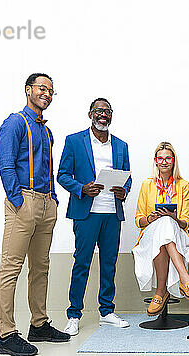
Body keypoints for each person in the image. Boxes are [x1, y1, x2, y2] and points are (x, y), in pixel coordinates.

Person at [0, 73, 70, 356]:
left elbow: (47, 169)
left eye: (51, 90)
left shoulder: (47, 131)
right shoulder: (15, 122)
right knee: (11, 268)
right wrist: (17, 200)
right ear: (28, 90)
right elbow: (5, 163)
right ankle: (6, 334)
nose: (47, 94)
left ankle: (39, 324)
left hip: (45, 203)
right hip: (23, 201)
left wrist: (51, 199)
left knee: (41, 268)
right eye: (42, 88)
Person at [57, 98, 132, 336]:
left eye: (107, 112)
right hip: (86, 214)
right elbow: (62, 175)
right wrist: (81, 188)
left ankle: (107, 312)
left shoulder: (121, 145)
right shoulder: (74, 141)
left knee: (109, 264)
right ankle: (74, 314)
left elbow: (127, 177)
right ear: (90, 114)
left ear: (111, 115)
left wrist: (125, 190)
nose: (103, 115)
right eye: (99, 111)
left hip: (112, 213)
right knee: (82, 263)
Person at [132, 142, 189, 315]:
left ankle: (160, 292)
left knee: (167, 224)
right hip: (150, 234)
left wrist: (173, 217)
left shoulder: (183, 185)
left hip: (176, 232)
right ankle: (185, 279)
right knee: (162, 225)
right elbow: (138, 220)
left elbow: (186, 222)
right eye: (160, 158)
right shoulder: (147, 185)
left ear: (173, 161)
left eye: (168, 158)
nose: (164, 162)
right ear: (155, 161)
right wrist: (150, 218)